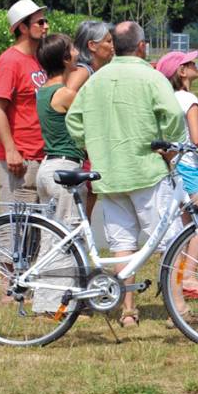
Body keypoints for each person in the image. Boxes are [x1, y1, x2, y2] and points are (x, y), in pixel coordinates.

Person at [65, 21, 189, 328]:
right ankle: (178, 309)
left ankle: (128, 309)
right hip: (146, 168)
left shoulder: (97, 78)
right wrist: (169, 146)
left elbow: (74, 120)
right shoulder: (151, 76)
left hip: (108, 173)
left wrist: (92, 144)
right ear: (142, 46)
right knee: (169, 239)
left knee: (122, 242)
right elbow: (173, 115)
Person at [156, 50, 198, 301]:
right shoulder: (188, 98)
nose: (195, 64)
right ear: (182, 72)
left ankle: (178, 277)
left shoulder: (165, 99)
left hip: (171, 166)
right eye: (189, 63)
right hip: (191, 165)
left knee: (183, 224)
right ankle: (189, 276)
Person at [33, 33, 85, 313]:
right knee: (68, 236)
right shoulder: (65, 94)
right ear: (65, 59)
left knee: (51, 237)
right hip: (65, 168)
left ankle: (44, 300)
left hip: (47, 167)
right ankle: (62, 303)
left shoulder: (42, 91)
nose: (77, 54)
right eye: (73, 50)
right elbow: (88, 123)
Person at [0, 0, 49, 209]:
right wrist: (10, 150)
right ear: (23, 27)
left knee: (35, 231)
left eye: (45, 21)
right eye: (40, 22)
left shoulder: (39, 59)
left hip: (41, 155)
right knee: (14, 231)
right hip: (20, 159)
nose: (46, 26)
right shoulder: (9, 61)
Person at [67, 20, 114, 217]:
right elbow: (66, 94)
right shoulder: (83, 71)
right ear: (92, 46)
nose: (113, 46)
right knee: (82, 207)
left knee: (90, 198)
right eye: (108, 41)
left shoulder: (96, 71)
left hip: (89, 148)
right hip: (80, 150)